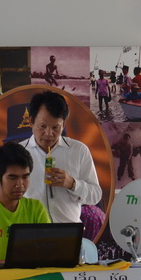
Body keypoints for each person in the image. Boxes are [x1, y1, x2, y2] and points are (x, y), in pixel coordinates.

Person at [20, 90, 102, 223]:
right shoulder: (17, 153)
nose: (49, 133)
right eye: (42, 126)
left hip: (69, 230)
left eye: (56, 127)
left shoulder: (78, 150)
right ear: (31, 121)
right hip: (30, 231)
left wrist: (72, 184)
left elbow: (95, 196)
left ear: (63, 125)